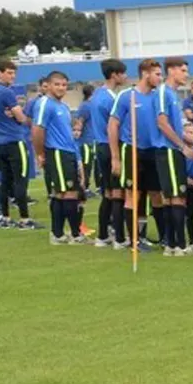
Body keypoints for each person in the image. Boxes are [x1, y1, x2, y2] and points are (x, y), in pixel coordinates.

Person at [107, 58, 164, 251]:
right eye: (157, 74)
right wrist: (115, 157)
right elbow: (113, 125)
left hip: (153, 151)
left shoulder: (158, 96)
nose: (160, 78)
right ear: (146, 74)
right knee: (133, 194)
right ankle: (134, 240)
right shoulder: (127, 96)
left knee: (156, 194)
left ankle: (164, 237)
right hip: (132, 150)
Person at [30, 71, 86, 245]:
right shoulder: (45, 104)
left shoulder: (63, 106)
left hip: (68, 153)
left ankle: (58, 234)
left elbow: (68, 133)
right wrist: (40, 153)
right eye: (57, 84)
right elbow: (37, 130)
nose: (61, 88)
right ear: (48, 85)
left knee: (61, 195)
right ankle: (75, 235)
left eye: (64, 85)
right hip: (57, 153)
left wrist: (77, 159)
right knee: (68, 194)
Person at [154, 57, 193, 256]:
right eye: (183, 70)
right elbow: (162, 124)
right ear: (171, 71)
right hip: (168, 151)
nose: (186, 74)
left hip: (173, 150)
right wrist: (182, 147)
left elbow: (175, 127)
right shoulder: (164, 92)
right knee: (177, 198)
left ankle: (172, 244)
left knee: (173, 198)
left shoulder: (173, 94)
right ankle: (178, 245)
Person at [0, 60, 38, 229]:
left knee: (6, 181)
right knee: (20, 180)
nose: (12, 76)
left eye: (13, 73)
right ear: (0, 73)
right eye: (9, 73)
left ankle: (6, 217)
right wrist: (25, 117)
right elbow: (20, 116)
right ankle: (24, 219)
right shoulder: (6, 92)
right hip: (14, 141)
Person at [86, 60, 127, 247]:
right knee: (118, 193)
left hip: (100, 146)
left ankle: (103, 235)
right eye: (123, 73)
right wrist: (117, 156)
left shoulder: (96, 95)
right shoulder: (111, 98)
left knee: (108, 193)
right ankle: (119, 238)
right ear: (114, 75)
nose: (125, 77)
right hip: (111, 146)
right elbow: (115, 126)